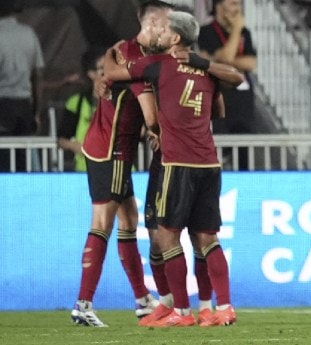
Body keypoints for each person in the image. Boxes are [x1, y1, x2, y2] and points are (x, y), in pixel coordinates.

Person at [104, 10, 243, 327]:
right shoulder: (207, 70)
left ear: (175, 38)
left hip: (176, 163)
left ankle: (181, 312)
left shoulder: (158, 65)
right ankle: (223, 307)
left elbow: (114, 72)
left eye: (164, 30)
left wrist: (110, 54)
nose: (160, 33)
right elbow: (220, 107)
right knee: (207, 239)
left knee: (166, 238)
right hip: (209, 163)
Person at [70, 0, 177, 328]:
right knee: (103, 221)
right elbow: (148, 112)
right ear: (155, 22)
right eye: (169, 24)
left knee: (129, 220)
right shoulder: (139, 61)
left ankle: (142, 300)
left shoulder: (120, 48)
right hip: (113, 149)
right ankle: (83, 303)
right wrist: (160, 131)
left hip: (106, 145)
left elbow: (110, 75)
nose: (170, 31)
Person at [197, 0, 258, 170]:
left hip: (243, 103)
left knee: (244, 152)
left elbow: (251, 63)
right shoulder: (206, 31)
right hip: (221, 100)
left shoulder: (246, 33)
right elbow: (227, 57)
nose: (237, 9)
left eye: (239, 4)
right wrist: (236, 30)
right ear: (218, 6)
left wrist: (223, 59)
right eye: (232, 3)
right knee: (219, 151)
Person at [0, 0, 44, 172]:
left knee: (2, 157)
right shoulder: (29, 33)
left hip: (2, 104)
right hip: (24, 106)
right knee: (23, 157)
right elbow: (38, 75)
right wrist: (36, 112)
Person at [57, 47, 106, 172]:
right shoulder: (76, 103)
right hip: (84, 171)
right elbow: (62, 139)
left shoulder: (122, 99)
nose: (108, 72)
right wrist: (77, 147)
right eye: (102, 68)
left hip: (119, 170)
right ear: (91, 73)